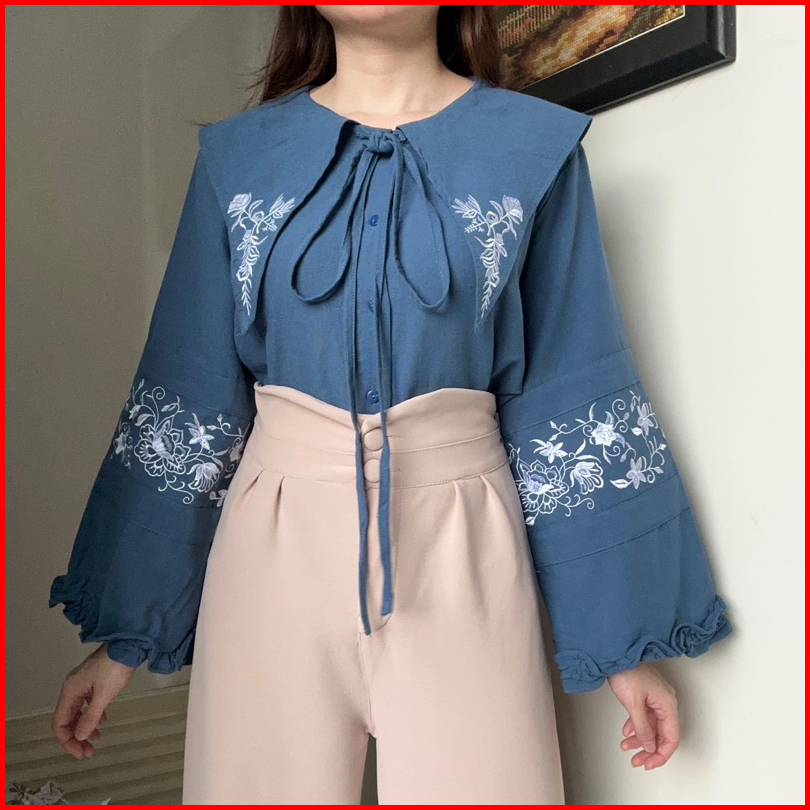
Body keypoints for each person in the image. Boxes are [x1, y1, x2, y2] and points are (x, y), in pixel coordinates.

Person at [48, 5, 732, 805]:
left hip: (464, 547)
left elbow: (568, 386)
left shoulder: (532, 150)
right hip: (270, 553)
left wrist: (625, 648)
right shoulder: (239, 160)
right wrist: (126, 639)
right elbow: (191, 386)